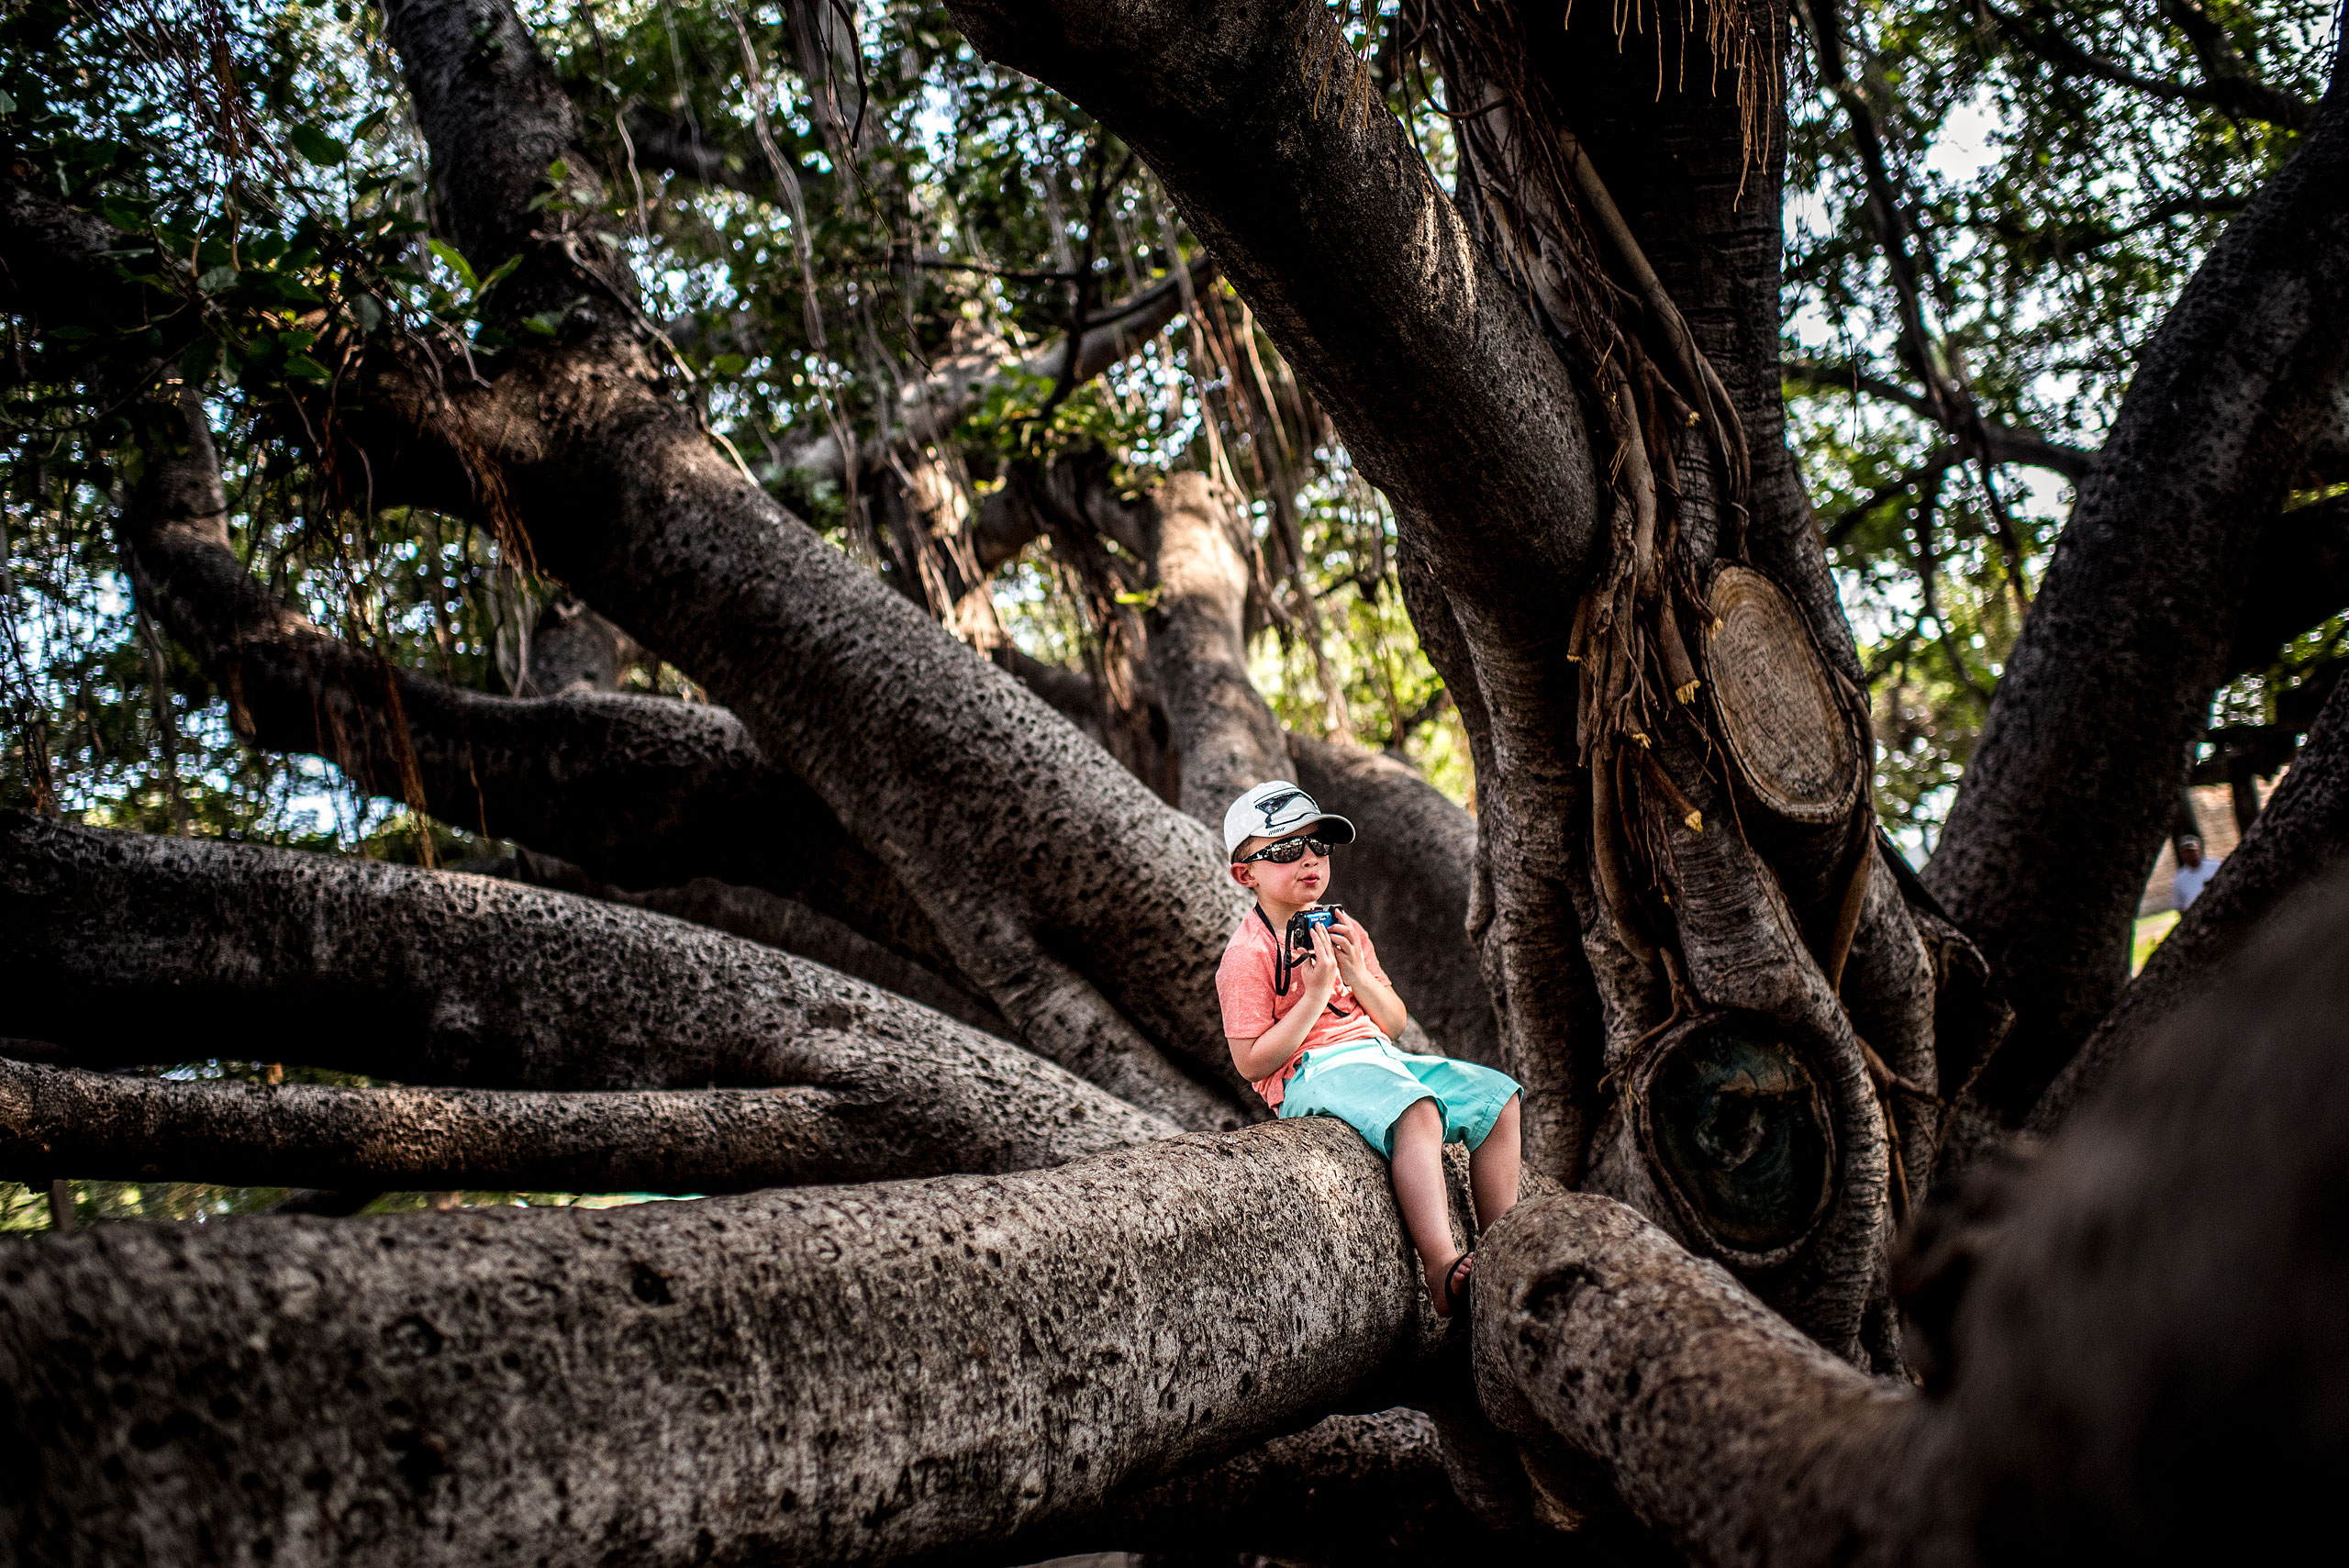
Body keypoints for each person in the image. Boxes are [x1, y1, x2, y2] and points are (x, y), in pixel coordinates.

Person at [1214, 780, 1523, 1317]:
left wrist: (1356, 974)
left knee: (1498, 1098)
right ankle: (1439, 1263)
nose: (1309, 859)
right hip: (1309, 1073)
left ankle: (1505, 1245)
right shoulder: (1248, 954)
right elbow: (1251, 1062)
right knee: (1418, 1111)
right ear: (1247, 874)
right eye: (1286, 849)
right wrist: (1312, 997)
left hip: (1381, 1058)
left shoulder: (1342, 927)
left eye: (1318, 845)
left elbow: (1395, 1021)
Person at [2174, 834, 2222, 910]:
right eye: (2186, 852)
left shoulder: (2216, 866)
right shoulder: (2179, 878)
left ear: (2199, 851)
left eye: (2192, 851)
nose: (2190, 855)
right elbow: (2180, 906)